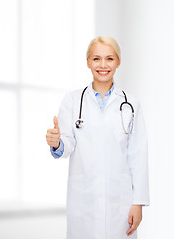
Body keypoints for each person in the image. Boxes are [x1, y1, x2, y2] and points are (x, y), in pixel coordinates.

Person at [46, 36, 150, 239]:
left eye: (109, 58)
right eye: (96, 59)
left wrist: (138, 203)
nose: (103, 65)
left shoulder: (131, 104)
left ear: (118, 62)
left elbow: (138, 156)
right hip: (84, 200)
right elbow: (68, 144)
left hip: (119, 202)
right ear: (88, 62)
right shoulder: (73, 101)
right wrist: (57, 142)